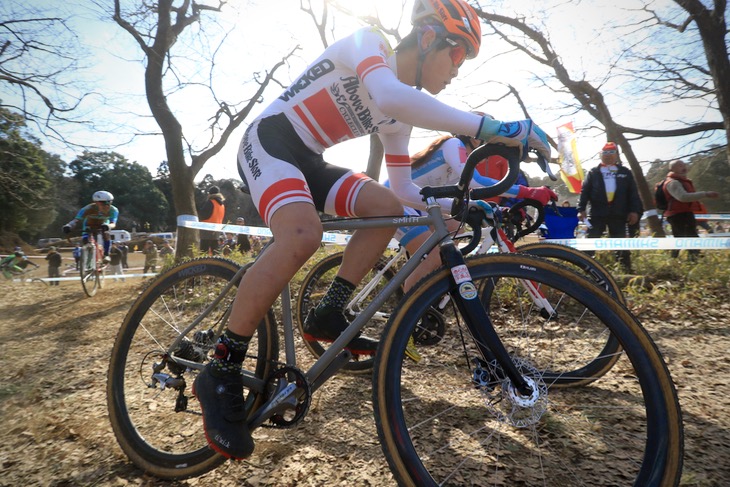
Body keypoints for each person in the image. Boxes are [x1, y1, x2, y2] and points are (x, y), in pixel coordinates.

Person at [193, 0, 552, 461]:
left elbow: (404, 189)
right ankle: (221, 364)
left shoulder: (400, 116)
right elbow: (389, 95)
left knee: (385, 207)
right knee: (302, 234)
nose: (457, 71)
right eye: (458, 54)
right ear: (427, 39)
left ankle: (330, 309)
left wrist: (465, 205)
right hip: (269, 140)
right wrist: (493, 126)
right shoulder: (369, 44)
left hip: (309, 159)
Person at [385, 133, 556, 292]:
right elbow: (476, 182)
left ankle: (431, 287)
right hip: (395, 202)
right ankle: (408, 314)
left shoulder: (456, 166)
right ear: (475, 140)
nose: (489, 156)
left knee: (454, 227)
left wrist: (496, 208)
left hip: (418, 204)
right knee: (436, 255)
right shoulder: (453, 144)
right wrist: (527, 192)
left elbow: (464, 197)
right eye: (488, 147)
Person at [577, 142, 642, 272]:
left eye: (611, 153)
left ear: (617, 155)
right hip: (596, 213)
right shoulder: (593, 172)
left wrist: (634, 211)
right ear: (601, 155)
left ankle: (625, 269)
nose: (608, 156)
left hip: (618, 213)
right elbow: (585, 191)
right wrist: (581, 209)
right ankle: (584, 269)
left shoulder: (625, 172)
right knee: (591, 240)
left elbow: (633, 193)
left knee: (620, 243)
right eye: (605, 153)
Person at [661, 159, 719, 260]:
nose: (684, 167)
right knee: (691, 237)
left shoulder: (681, 181)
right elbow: (683, 197)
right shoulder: (673, 182)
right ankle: (694, 259)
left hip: (683, 213)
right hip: (678, 215)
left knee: (681, 238)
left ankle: (674, 260)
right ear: (672, 168)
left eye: (684, 165)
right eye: (680, 165)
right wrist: (705, 194)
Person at [63, 190, 119, 262]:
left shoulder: (113, 210)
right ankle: (87, 258)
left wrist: (108, 226)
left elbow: (113, 223)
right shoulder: (88, 208)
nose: (107, 205)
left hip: (104, 223)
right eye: (103, 203)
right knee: (86, 239)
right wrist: (68, 226)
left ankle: (106, 254)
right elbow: (76, 220)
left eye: (110, 202)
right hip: (89, 224)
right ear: (96, 202)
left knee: (106, 234)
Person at [199, 186, 226, 254]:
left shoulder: (210, 202)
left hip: (206, 230)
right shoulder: (222, 205)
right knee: (215, 251)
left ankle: (203, 264)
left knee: (204, 251)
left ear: (210, 194)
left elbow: (203, 215)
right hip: (216, 231)